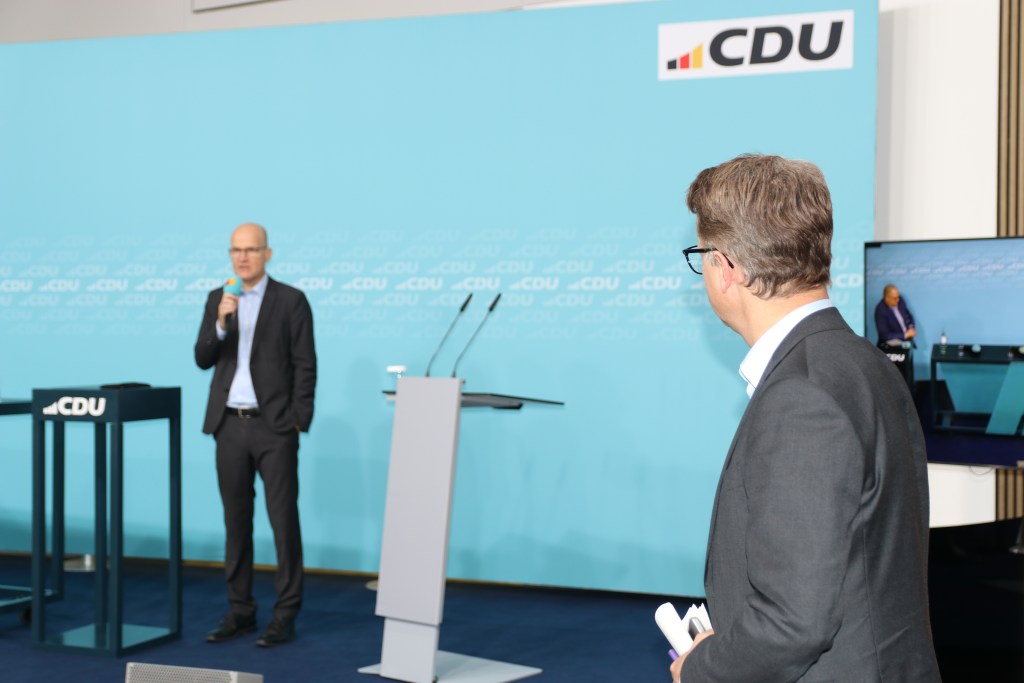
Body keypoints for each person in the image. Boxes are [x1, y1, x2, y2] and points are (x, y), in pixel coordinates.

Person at [673, 155, 939, 682]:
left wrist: (701, 668)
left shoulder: (801, 396)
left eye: (701, 256)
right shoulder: (865, 362)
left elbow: (793, 623)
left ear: (726, 267)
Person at [194, 222, 317, 648]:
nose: (242, 257)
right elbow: (202, 358)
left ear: (267, 253)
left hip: (274, 427)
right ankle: (240, 610)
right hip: (228, 425)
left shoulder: (291, 300)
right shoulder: (218, 297)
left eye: (251, 249)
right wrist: (221, 322)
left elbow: (305, 364)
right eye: (236, 250)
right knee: (236, 522)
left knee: (283, 522)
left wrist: (297, 419)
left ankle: (285, 614)